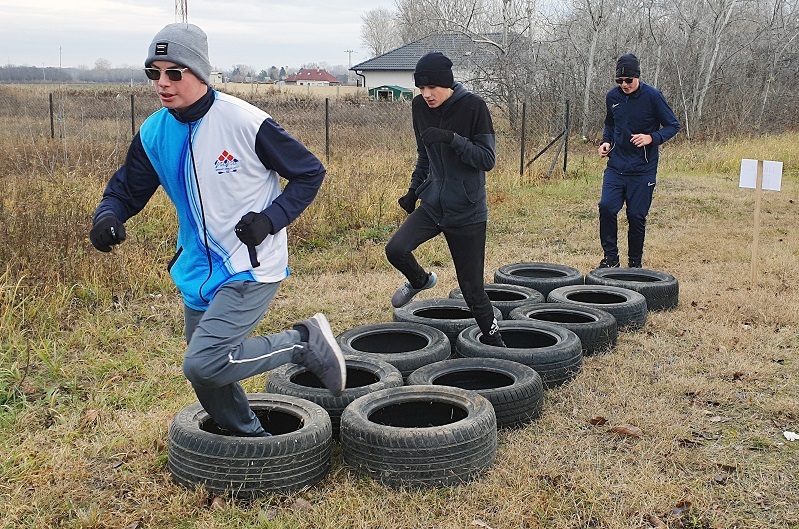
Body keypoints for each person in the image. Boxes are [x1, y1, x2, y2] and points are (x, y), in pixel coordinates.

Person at [88, 23, 346, 437]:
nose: (163, 83)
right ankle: (249, 440)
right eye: (154, 73)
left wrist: (270, 220)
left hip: (248, 263)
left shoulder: (244, 121)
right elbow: (126, 190)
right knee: (208, 371)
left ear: (200, 74)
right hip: (196, 266)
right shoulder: (154, 131)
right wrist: (108, 217)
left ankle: (304, 341)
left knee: (204, 362)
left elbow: (309, 173)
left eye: (175, 73)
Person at [384, 52, 505, 347]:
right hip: (433, 204)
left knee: (472, 290)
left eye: (432, 88)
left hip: (467, 210)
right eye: (421, 89)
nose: (426, 94)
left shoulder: (473, 107)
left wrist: (453, 139)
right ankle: (421, 281)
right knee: (395, 249)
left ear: (447, 84)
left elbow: (487, 159)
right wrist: (413, 191)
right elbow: (424, 154)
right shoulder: (419, 108)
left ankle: (497, 343)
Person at [596, 54, 681, 269]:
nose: (624, 85)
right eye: (619, 81)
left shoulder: (653, 96)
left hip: (643, 170)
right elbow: (610, 123)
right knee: (606, 207)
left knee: (636, 216)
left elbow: (673, 125)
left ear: (637, 77)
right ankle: (611, 260)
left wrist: (651, 138)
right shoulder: (612, 97)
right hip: (616, 166)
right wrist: (606, 142)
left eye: (628, 80)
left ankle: (635, 264)